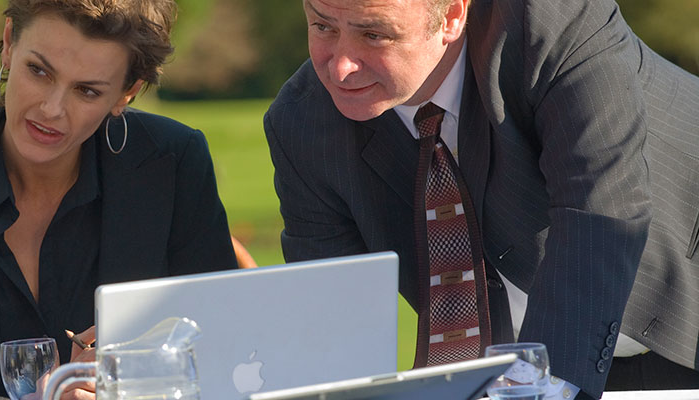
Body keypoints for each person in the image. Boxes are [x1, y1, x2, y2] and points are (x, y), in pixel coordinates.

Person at [265, 0, 699, 398]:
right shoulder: (303, 125)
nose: (339, 67)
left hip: (681, 301)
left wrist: (540, 390)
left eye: (374, 35)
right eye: (322, 26)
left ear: (452, 16)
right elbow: (335, 329)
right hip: (543, 360)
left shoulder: (551, 22)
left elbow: (599, 212)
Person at [0, 0, 240, 398]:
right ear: (9, 43)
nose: (51, 109)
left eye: (87, 91)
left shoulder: (174, 164)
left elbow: (220, 348)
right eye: (39, 71)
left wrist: (134, 376)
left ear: (127, 93)